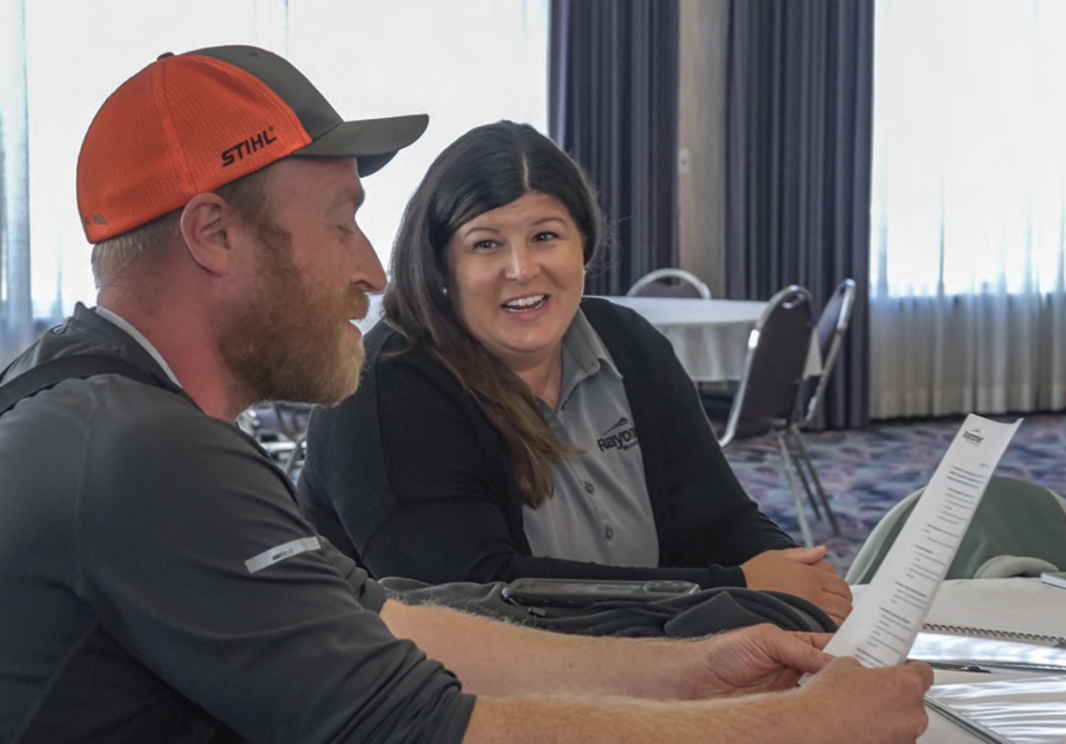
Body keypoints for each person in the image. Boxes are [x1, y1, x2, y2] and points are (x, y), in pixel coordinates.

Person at [0, 45, 931, 743]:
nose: (370, 270)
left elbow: (390, 627)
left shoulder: (96, 401)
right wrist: (806, 729)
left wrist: (690, 669)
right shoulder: (141, 454)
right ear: (213, 235)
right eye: (340, 227)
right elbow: (424, 727)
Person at [297, 120, 854, 624]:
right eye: (486, 244)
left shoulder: (630, 343)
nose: (522, 269)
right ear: (442, 266)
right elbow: (475, 596)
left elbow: (719, 517)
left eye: (545, 236)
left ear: (582, 244)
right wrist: (736, 586)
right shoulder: (388, 388)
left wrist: (794, 570)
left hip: (640, 664)